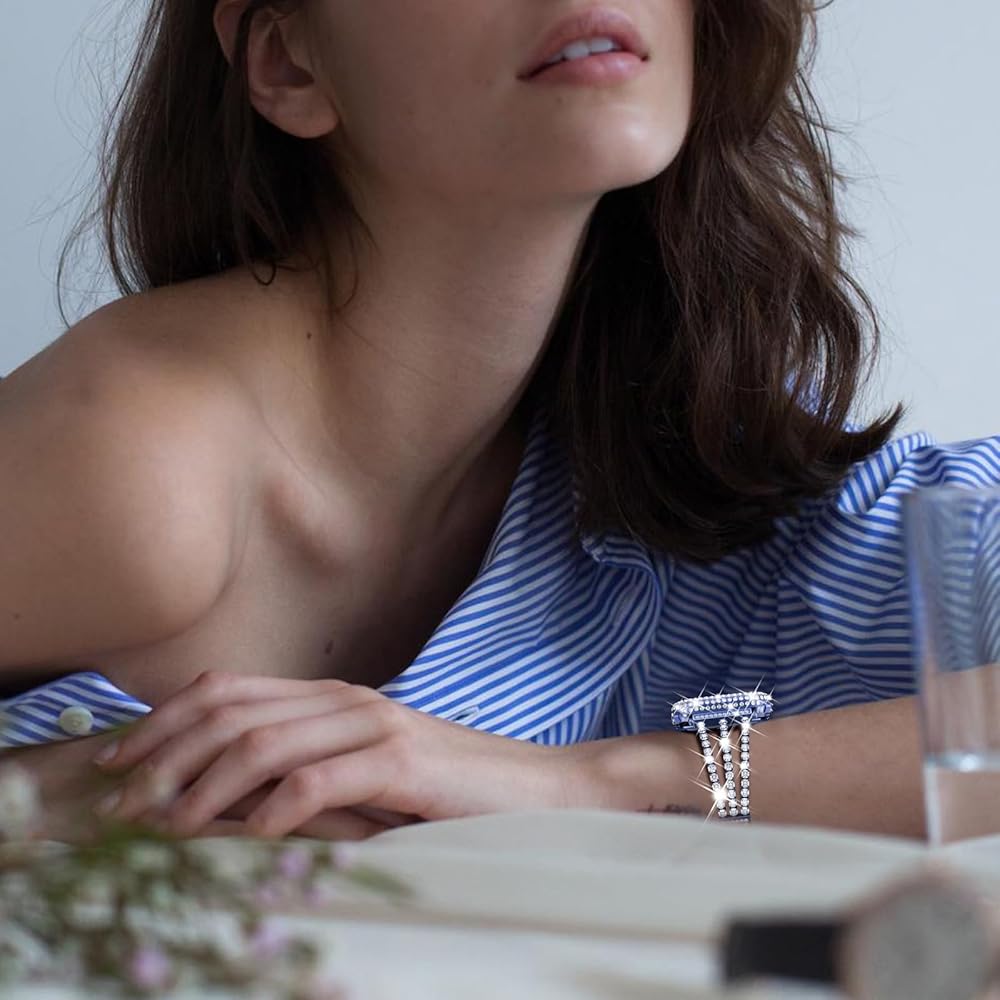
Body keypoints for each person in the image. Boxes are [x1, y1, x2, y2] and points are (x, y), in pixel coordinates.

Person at [2, 0, 998, 845]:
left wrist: (595, 784)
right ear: (290, 62)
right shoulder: (135, 464)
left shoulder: (687, 473)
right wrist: (53, 795)